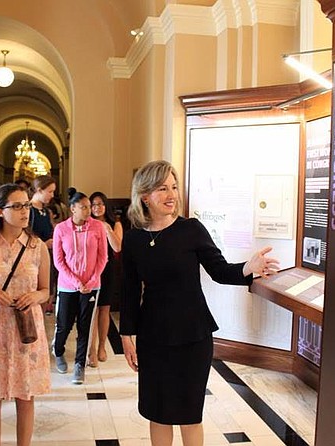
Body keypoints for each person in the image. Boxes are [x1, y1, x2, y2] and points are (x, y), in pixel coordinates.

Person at [120, 160, 279, 446]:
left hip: (193, 335)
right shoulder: (133, 241)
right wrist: (127, 337)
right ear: (144, 196)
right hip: (153, 336)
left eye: (174, 187)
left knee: (189, 413)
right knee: (158, 412)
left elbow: (220, 271)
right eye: (162, 189)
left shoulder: (191, 229)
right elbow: (130, 292)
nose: (172, 195)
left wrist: (248, 267)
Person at [0, 183, 51, 446]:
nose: (24, 211)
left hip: (26, 327)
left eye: (26, 205)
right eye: (16, 206)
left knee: (25, 396)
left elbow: (46, 290)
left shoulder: (37, 246)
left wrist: (35, 297)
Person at [52, 192, 107, 384]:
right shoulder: (61, 229)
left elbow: (103, 257)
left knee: (85, 327)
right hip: (68, 286)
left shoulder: (97, 227)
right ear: (72, 208)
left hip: (91, 286)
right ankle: (58, 351)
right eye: (83, 207)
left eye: (88, 207)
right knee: (64, 325)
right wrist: (76, 282)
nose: (88, 211)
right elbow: (59, 261)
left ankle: (79, 365)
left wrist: (91, 281)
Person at [87, 191, 123, 367]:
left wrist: (106, 228)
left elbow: (117, 247)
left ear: (105, 206)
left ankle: (102, 346)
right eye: (93, 204)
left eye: (100, 204)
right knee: (91, 310)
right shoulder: (87, 224)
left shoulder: (114, 224)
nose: (97, 208)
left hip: (107, 270)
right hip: (90, 270)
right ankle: (91, 350)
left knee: (104, 310)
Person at [29, 175, 57, 312]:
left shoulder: (46, 211)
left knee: (48, 292)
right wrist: (44, 244)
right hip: (33, 258)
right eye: (50, 191)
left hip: (47, 257)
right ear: (39, 190)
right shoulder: (29, 210)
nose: (52, 195)